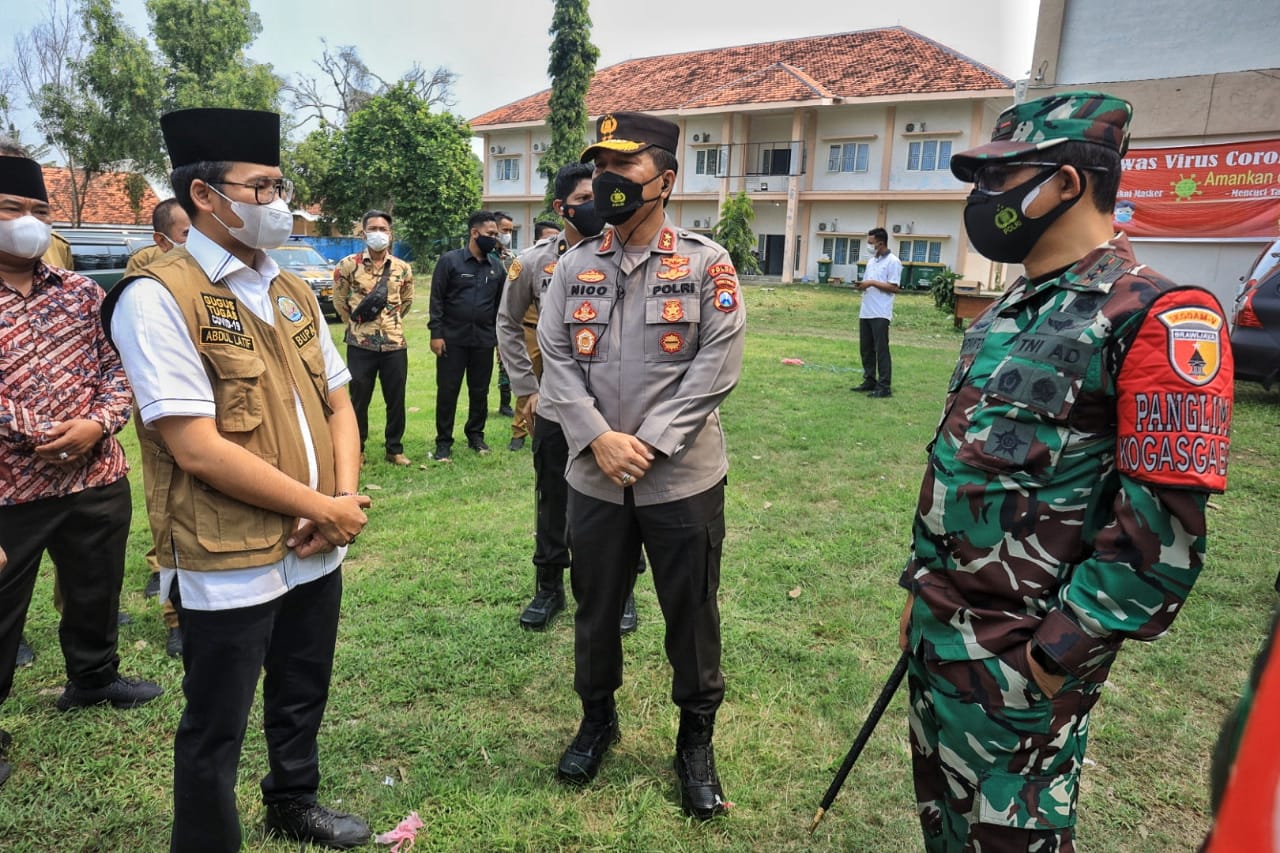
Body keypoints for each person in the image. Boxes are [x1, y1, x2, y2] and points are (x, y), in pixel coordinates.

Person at [897, 91, 1234, 851]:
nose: (984, 200)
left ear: (1068, 182)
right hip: (940, 641)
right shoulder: (1008, 311)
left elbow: (1162, 537)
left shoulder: (1156, 315)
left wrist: (1052, 658)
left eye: (999, 178)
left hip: (1022, 665)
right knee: (948, 832)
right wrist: (923, 598)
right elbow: (961, 471)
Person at [102, 108, 372, 852]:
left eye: (278, 184)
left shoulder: (289, 288)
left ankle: (293, 798)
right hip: (227, 555)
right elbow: (197, 448)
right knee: (215, 722)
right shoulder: (157, 296)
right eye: (261, 186)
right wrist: (324, 505)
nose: (277, 201)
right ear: (203, 197)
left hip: (316, 537)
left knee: (301, 688)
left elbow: (340, 401)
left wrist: (340, 502)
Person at [538, 111, 745, 819]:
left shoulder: (706, 262)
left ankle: (695, 742)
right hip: (594, 475)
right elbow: (556, 359)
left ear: (665, 179)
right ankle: (597, 719)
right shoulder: (573, 264)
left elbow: (717, 364)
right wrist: (597, 437)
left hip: (680, 476)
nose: (607, 184)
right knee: (595, 608)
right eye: (600, 170)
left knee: (690, 611)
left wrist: (650, 441)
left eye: (622, 171)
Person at [0, 154, 164, 790]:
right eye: (12, 210)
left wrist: (98, 425)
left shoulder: (82, 292)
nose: (29, 224)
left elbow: (118, 367)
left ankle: (93, 678)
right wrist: (44, 434)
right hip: (12, 487)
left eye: (38, 212)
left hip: (95, 477)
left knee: (95, 587)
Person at [497, 162, 641, 635]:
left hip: (616, 409)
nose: (599, 205)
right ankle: (548, 587)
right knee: (553, 499)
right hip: (557, 408)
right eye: (587, 196)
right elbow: (507, 322)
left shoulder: (625, 253)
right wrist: (528, 389)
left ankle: (622, 592)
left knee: (622, 497)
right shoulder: (536, 261)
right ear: (562, 207)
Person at [127, 197, 194, 658]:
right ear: (162, 238)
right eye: (187, 232)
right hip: (167, 412)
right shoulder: (147, 278)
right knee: (168, 511)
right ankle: (177, 618)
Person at [333, 209, 415, 467]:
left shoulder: (402, 268)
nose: (378, 234)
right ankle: (357, 450)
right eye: (373, 229)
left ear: (391, 235)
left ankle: (395, 449)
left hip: (394, 344)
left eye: (383, 229)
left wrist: (390, 322)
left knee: (396, 398)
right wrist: (357, 326)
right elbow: (339, 300)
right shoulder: (348, 265)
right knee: (359, 400)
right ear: (363, 233)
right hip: (360, 344)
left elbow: (406, 302)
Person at [428, 211, 506, 461]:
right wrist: (436, 333)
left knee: (479, 391)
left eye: (496, 235)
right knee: (448, 391)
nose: (495, 238)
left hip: (483, 340)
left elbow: (499, 306)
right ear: (475, 233)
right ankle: (443, 442)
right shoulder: (450, 262)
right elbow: (437, 299)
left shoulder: (496, 267)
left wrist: (499, 340)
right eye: (490, 234)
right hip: (452, 339)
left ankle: (475, 435)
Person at [851, 226, 900, 398]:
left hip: (880, 312)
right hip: (866, 311)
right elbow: (869, 283)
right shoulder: (872, 262)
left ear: (880, 242)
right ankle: (869, 380)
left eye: (870, 243)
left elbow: (894, 287)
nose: (868, 245)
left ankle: (884, 386)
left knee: (881, 349)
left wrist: (871, 283)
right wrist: (862, 285)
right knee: (866, 349)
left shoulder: (893, 261)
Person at [126, 198, 192, 276]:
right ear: (162, 241)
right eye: (187, 234)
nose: (197, 239)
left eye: (201, 232)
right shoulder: (145, 260)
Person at [494, 210, 518, 420]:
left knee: (506, 361)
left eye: (510, 231)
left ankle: (505, 403)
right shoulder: (486, 256)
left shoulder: (510, 257)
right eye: (504, 230)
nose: (507, 234)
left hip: (508, 316)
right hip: (487, 317)